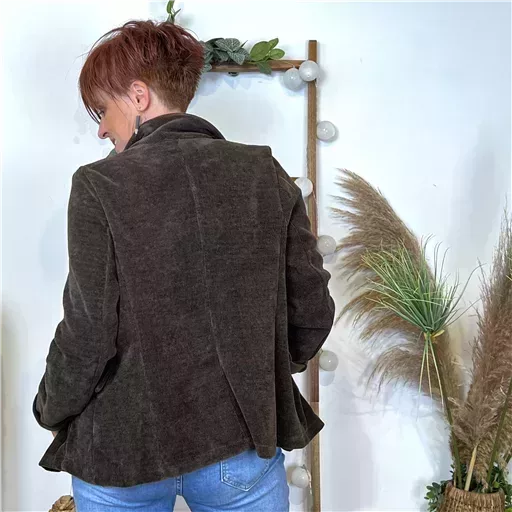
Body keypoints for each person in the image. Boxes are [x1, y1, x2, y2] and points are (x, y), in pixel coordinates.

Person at [33, 20, 335, 512]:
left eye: (103, 110)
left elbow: (87, 334)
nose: (101, 128)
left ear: (138, 96)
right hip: (238, 444)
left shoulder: (98, 185)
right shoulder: (264, 172)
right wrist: (258, 371)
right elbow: (313, 313)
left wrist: (50, 408)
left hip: (122, 454)